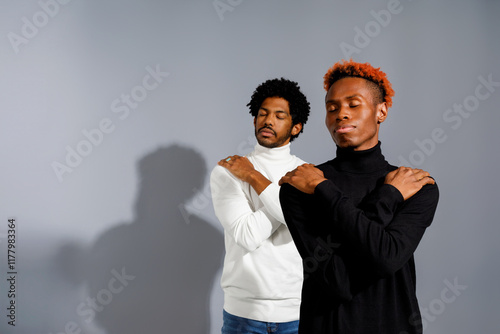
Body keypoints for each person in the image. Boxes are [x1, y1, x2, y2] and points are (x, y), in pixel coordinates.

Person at [278, 60, 439, 333]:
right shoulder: (299, 185)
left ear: (381, 111)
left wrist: (325, 191)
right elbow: (336, 280)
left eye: (353, 105)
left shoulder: (415, 186)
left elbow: (386, 257)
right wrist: (388, 197)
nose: (341, 114)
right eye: (332, 108)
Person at [210, 78, 311, 334]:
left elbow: (307, 226)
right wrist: (290, 196)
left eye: (279, 116)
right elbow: (247, 235)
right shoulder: (229, 171)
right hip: (243, 315)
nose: (268, 121)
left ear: (296, 127)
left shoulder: (309, 174)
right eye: (263, 113)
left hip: (298, 312)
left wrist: (255, 178)